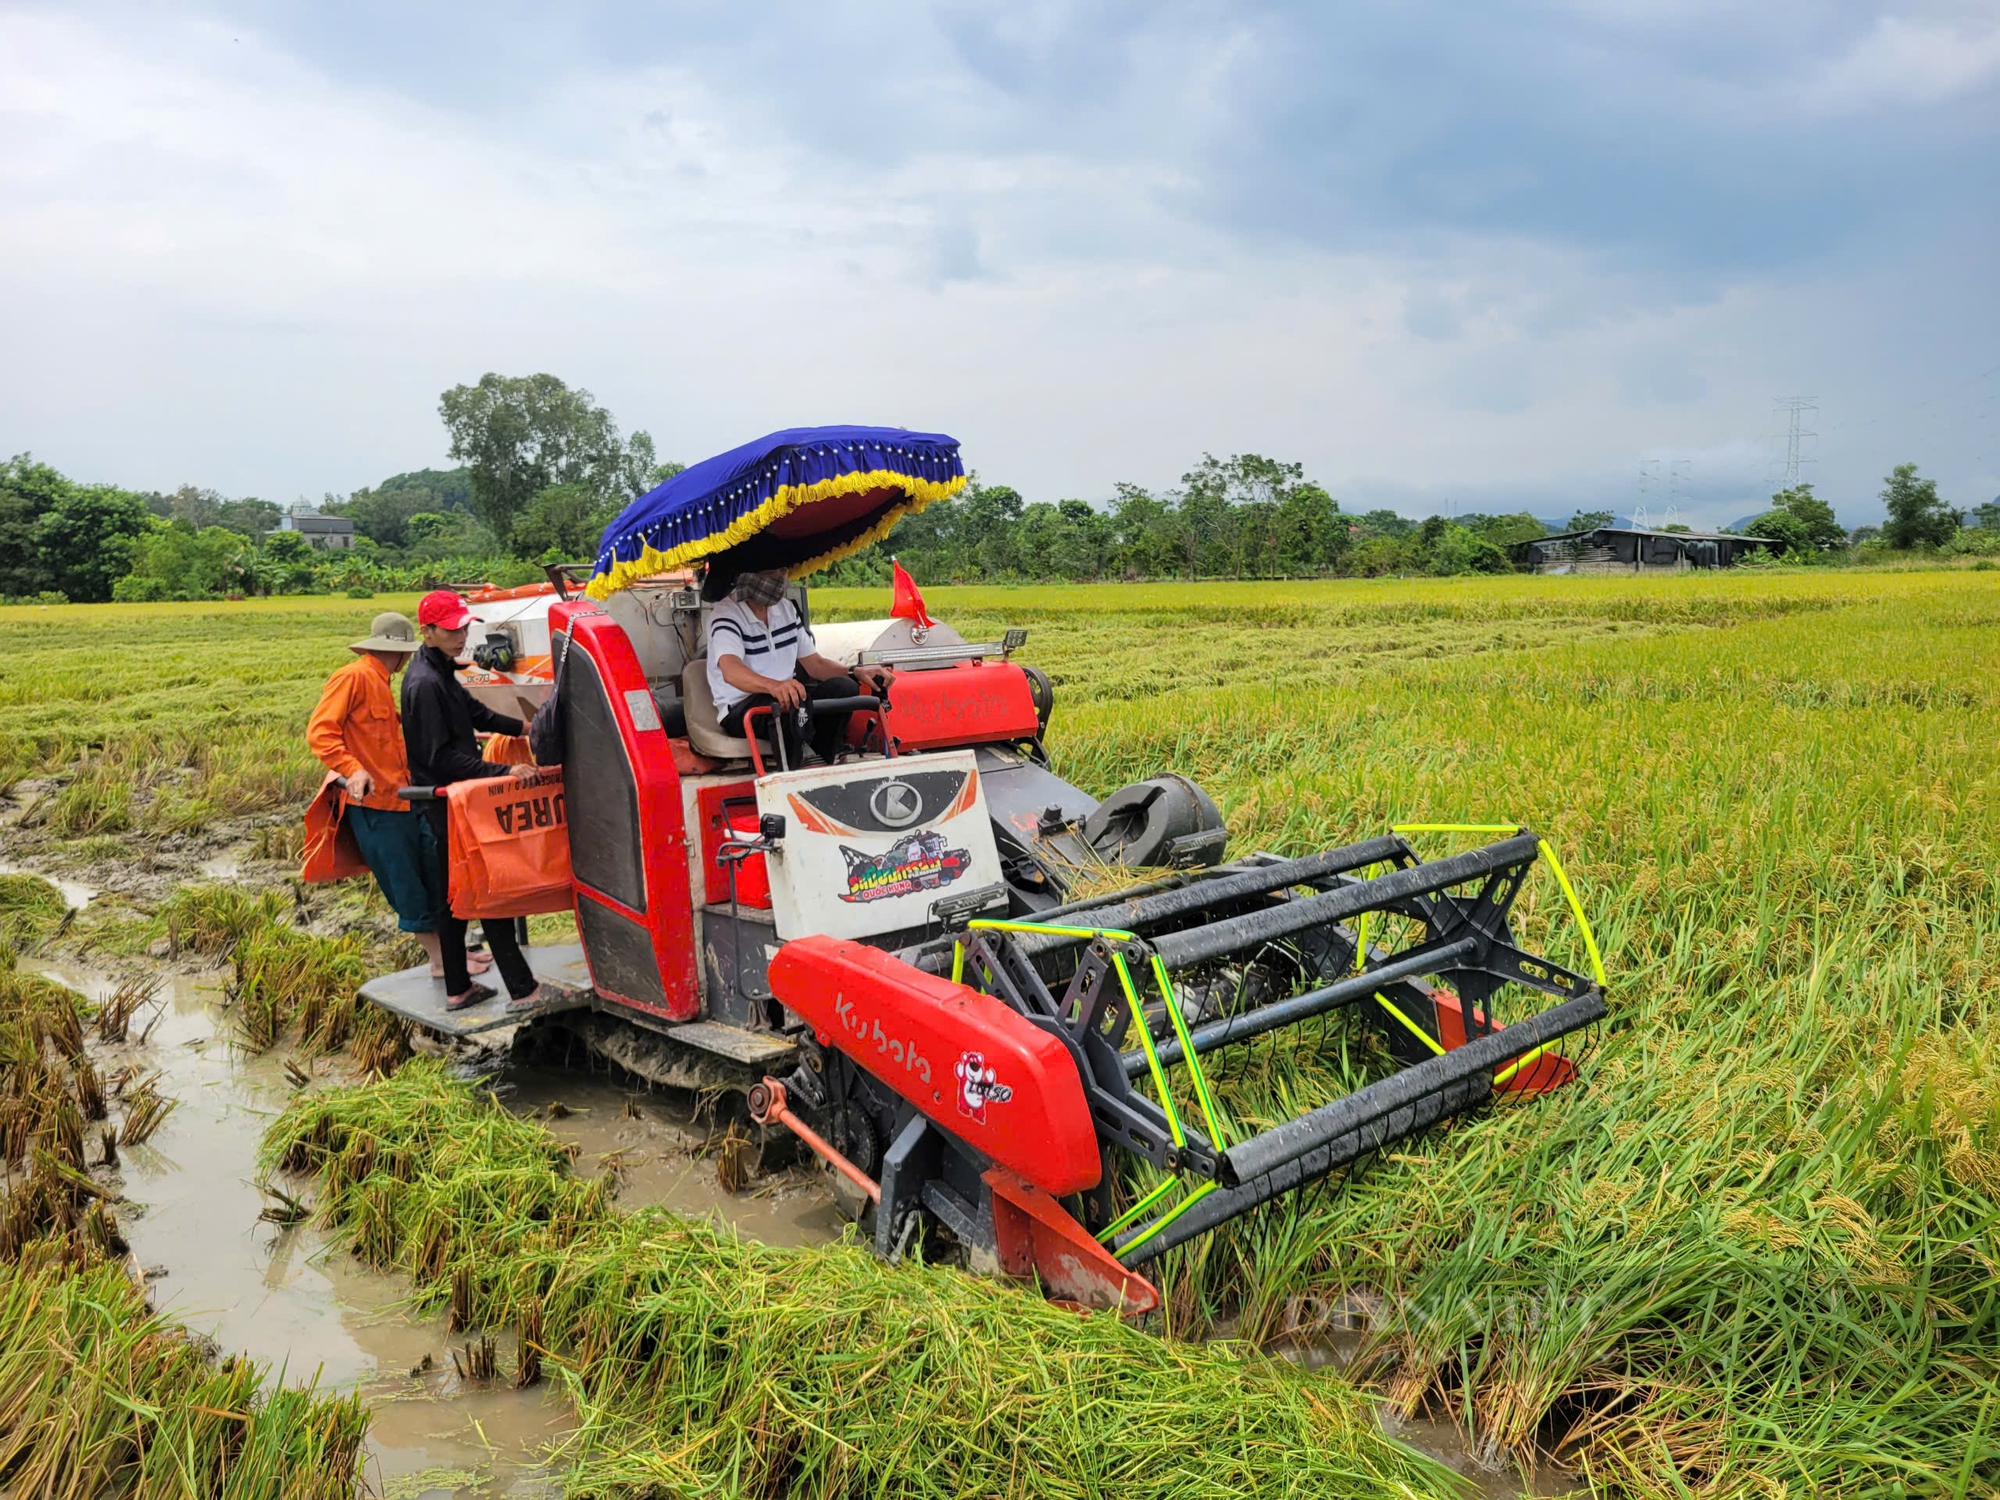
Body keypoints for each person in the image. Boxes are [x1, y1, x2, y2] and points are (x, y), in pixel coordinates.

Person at [305, 611, 491, 981]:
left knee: (433, 874)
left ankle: (453, 952)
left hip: (403, 799)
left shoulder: (382, 682)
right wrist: (353, 770)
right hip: (374, 806)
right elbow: (321, 732)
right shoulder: (353, 677)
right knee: (407, 882)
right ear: (405, 652)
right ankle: (440, 962)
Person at [402, 590, 543, 1012]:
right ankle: (523, 989)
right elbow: (439, 757)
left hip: (454, 800)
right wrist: (505, 771)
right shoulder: (425, 684)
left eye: (463, 627)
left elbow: (476, 714)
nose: (460, 636)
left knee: (457, 894)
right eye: (450, 630)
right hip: (447, 802)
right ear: (427, 632)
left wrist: (527, 728)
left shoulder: (439, 670)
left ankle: (458, 988)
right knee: (487, 887)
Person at [706, 569, 893, 768]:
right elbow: (731, 671)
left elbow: (816, 665)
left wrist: (856, 672)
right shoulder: (726, 615)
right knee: (788, 700)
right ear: (750, 574)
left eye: (782, 571)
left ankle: (823, 759)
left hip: (789, 698)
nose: (780, 577)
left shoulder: (786, 609)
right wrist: (774, 686)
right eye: (771, 572)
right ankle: (794, 770)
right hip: (741, 707)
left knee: (844, 688)